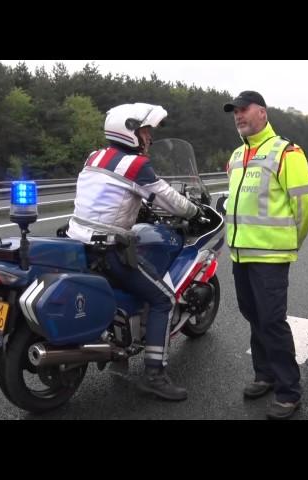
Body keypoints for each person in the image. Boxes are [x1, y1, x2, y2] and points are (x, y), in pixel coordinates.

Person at [67, 103, 201, 401]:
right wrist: (193, 212)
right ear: (129, 132)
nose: (149, 138)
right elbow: (167, 198)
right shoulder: (135, 165)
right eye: (145, 131)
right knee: (163, 298)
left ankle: (119, 342)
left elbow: (109, 196)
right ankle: (155, 374)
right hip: (108, 250)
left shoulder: (94, 156)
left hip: (78, 243)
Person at [223, 91, 308, 419]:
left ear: (262, 112)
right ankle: (264, 374)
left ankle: (289, 390)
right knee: (254, 316)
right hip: (240, 253)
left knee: (272, 321)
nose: (238, 115)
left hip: (270, 255)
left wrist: (291, 242)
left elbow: (305, 206)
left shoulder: (286, 152)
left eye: (244, 109)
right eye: (234, 111)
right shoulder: (236, 155)